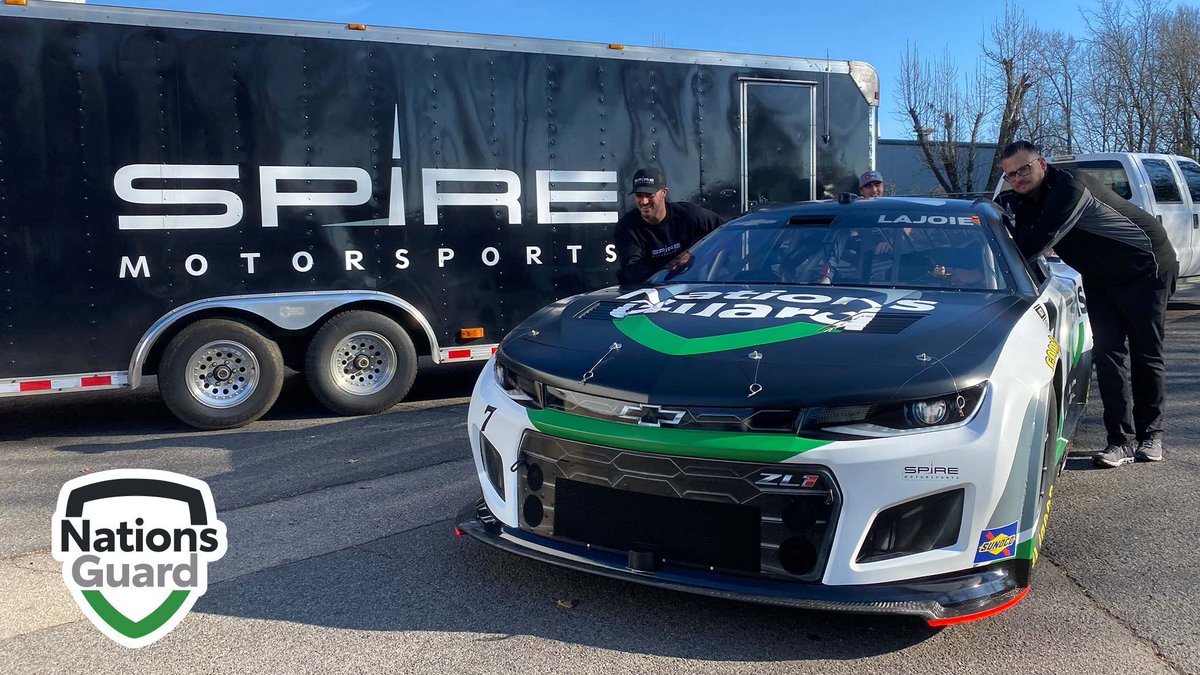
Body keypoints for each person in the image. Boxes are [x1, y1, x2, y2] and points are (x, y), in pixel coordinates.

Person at [995, 140, 1178, 468]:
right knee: (1108, 355)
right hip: (1100, 275)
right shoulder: (1020, 198)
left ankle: (1152, 435)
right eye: (1010, 175)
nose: (1018, 179)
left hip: (1146, 267)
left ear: (1043, 165)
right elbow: (1007, 232)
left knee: (1145, 352)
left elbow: (1034, 243)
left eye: (1024, 169)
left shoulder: (1071, 188)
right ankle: (1119, 441)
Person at [614, 168, 724, 284]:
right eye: (639, 195)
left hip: (692, 285)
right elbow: (633, 270)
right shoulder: (627, 227)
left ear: (664, 192)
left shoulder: (689, 215)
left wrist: (694, 253)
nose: (644, 201)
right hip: (648, 289)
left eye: (649, 195)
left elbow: (727, 231)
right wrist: (664, 278)